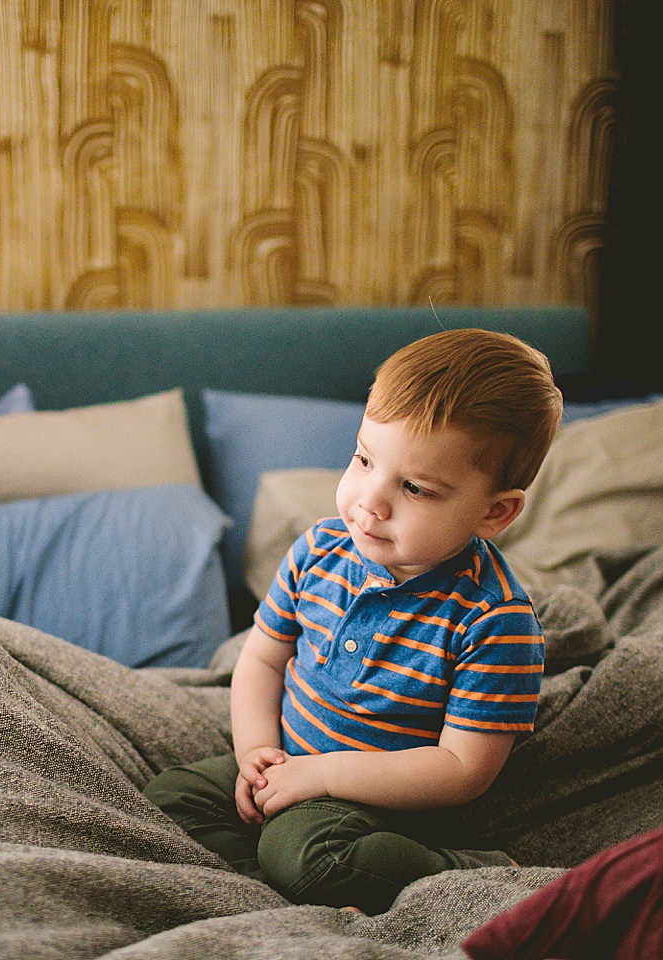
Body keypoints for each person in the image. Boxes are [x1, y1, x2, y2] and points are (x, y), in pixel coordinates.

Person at [143, 328, 563, 915]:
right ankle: (267, 877)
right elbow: (263, 658)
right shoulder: (320, 550)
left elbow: (461, 770)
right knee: (172, 798)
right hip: (292, 761)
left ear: (495, 512)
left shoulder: (493, 622)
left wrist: (320, 778)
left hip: (388, 803)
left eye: (415, 488)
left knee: (312, 855)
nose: (370, 500)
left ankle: (473, 872)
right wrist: (257, 753)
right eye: (364, 458)